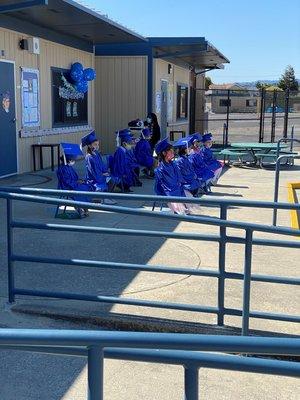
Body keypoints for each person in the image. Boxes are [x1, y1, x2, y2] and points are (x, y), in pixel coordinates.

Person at [154, 138, 196, 215]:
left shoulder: (173, 164)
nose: (173, 153)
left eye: (173, 151)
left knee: (189, 202)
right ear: (164, 153)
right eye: (170, 151)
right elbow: (164, 186)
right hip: (167, 191)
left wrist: (181, 184)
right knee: (181, 212)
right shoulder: (160, 169)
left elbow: (178, 177)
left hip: (176, 187)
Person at [57, 143, 93, 217]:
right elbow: (66, 182)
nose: (74, 162)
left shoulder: (68, 166)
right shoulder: (62, 169)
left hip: (73, 184)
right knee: (81, 190)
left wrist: (79, 181)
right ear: (68, 160)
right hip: (67, 187)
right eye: (73, 160)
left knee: (87, 186)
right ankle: (80, 208)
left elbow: (74, 178)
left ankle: (85, 207)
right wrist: (77, 182)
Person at [81, 131, 117, 204]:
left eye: (98, 144)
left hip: (101, 175)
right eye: (95, 144)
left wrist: (105, 172)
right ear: (90, 146)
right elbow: (93, 171)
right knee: (103, 183)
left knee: (112, 179)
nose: (97, 146)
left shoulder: (97, 154)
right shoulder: (89, 157)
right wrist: (102, 175)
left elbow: (102, 165)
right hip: (93, 179)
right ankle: (103, 198)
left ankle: (107, 196)